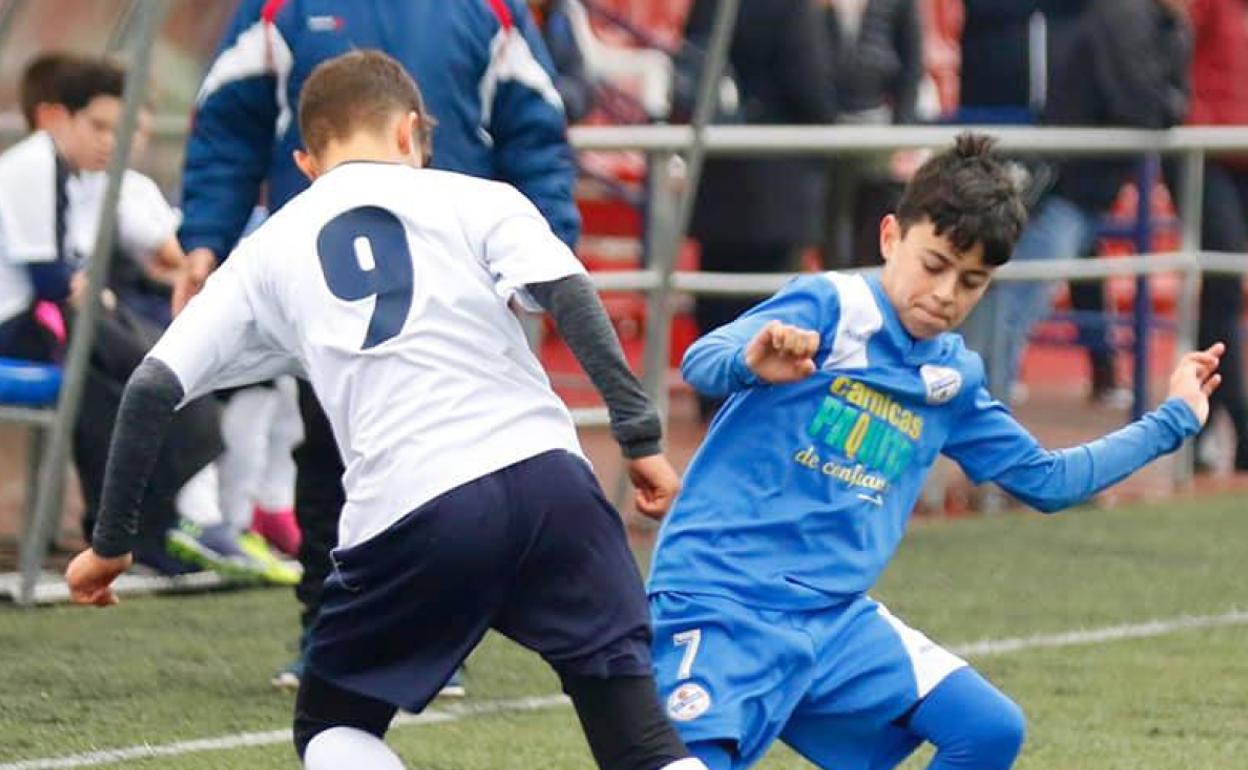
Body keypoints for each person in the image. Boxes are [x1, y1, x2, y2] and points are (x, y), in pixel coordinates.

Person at [65, 50, 706, 770]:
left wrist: (112, 542)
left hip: (416, 505)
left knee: (336, 726)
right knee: (640, 739)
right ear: (410, 134)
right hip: (551, 484)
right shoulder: (480, 198)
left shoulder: (267, 247)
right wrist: (640, 438)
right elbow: (570, 294)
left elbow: (153, 387)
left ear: (306, 163)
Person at [646, 134, 1221, 770]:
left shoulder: (951, 379)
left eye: (972, 280)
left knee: (989, 729)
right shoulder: (834, 306)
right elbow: (702, 362)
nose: (947, 293)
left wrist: (1174, 419)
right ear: (891, 237)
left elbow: (1047, 481)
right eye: (935, 264)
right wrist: (750, 360)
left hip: (833, 621)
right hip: (721, 600)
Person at [176, 0, 583, 690]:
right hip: (326, 284)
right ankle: (326, 633)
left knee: (455, 464)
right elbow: (229, 120)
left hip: (455, 286)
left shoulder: (495, 11)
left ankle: (435, 639)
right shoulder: (280, 7)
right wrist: (204, 237)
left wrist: (545, 250)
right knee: (330, 454)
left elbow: (535, 131)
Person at [0, 53, 279, 581]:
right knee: (134, 365)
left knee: (125, 371)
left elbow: (101, 271)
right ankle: (158, 522)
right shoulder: (32, 165)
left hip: (53, 323)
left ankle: (148, 526)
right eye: (100, 126)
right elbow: (50, 281)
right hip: (17, 327)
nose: (113, 140)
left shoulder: (83, 176)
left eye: (120, 127)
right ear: (57, 118)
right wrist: (89, 294)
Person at [960, 0, 1192, 402]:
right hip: (1066, 185)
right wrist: (1172, 104)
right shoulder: (1126, 17)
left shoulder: (1147, 19)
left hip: (1076, 184)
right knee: (1012, 305)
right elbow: (1140, 102)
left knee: (1010, 303)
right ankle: (977, 419)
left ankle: (978, 416)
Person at [679, 0, 837, 420]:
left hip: (717, 172)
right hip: (775, 180)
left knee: (716, 292)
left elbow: (689, 68)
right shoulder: (793, 11)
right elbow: (813, 90)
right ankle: (748, 408)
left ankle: (711, 398)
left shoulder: (708, 7)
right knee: (767, 302)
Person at [1181, 0, 1248, 471]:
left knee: (1224, 288)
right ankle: (1221, 420)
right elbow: (1175, 44)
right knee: (1223, 284)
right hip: (1210, 150)